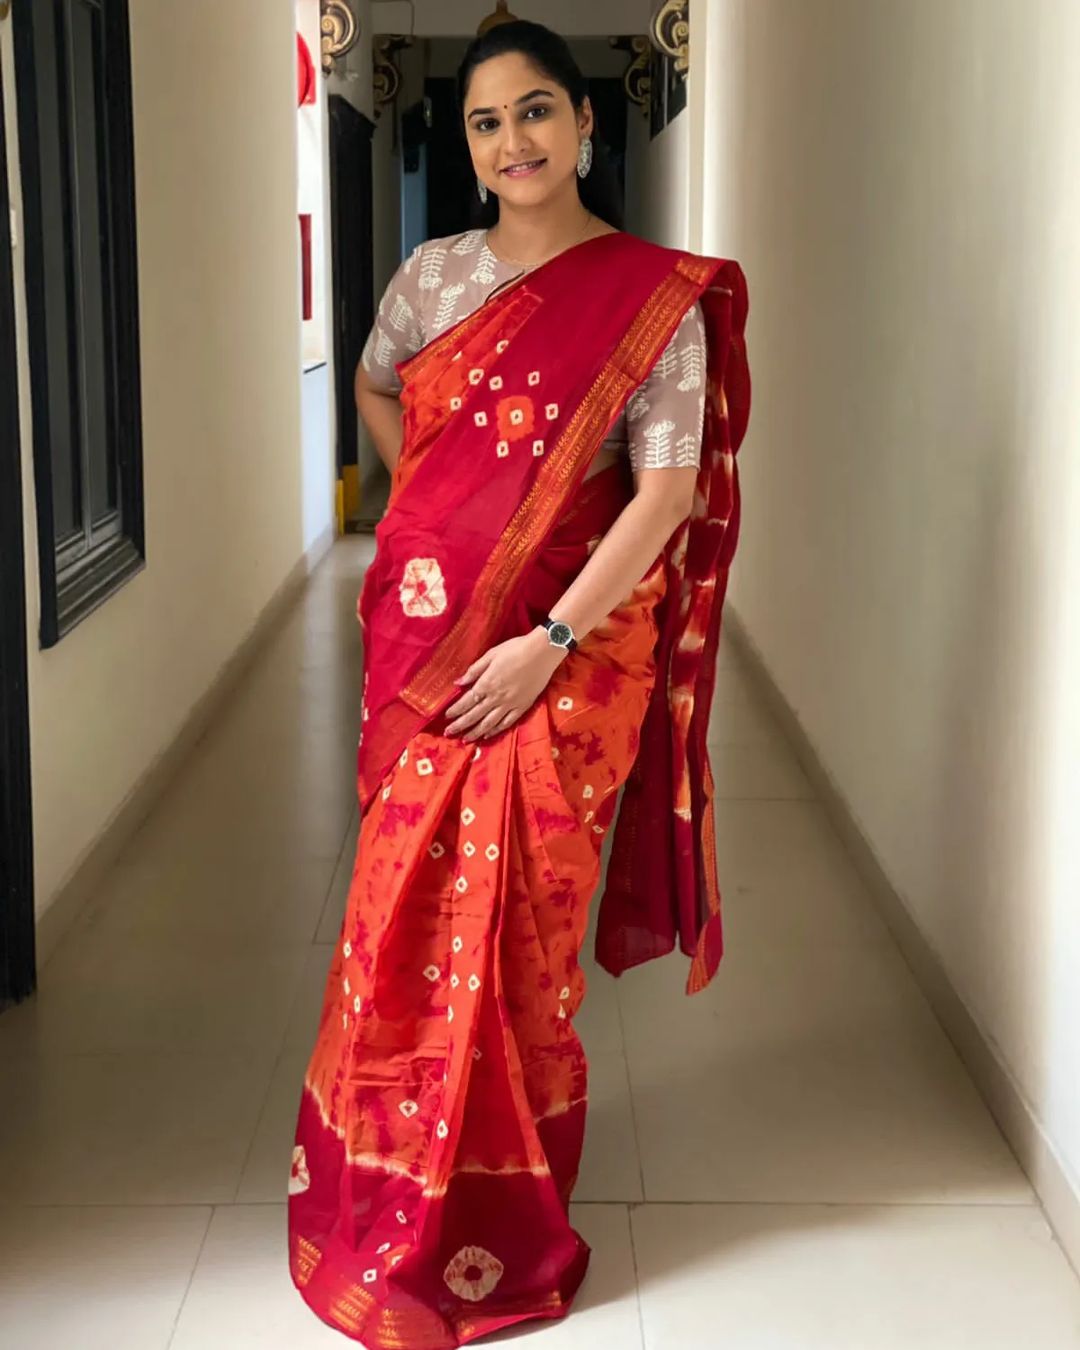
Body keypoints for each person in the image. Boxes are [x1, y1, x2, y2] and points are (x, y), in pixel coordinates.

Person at [288, 19, 750, 1348]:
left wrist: (543, 630)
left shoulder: (651, 293)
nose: (516, 141)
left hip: (569, 655)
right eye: (488, 123)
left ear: (588, 124)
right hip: (434, 644)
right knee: (394, 915)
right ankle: (386, 1196)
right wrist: (431, 518)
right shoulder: (433, 278)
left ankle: (500, 1212)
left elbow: (664, 493)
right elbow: (382, 390)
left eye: (539, 110)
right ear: (470, 143)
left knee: (520, 941)